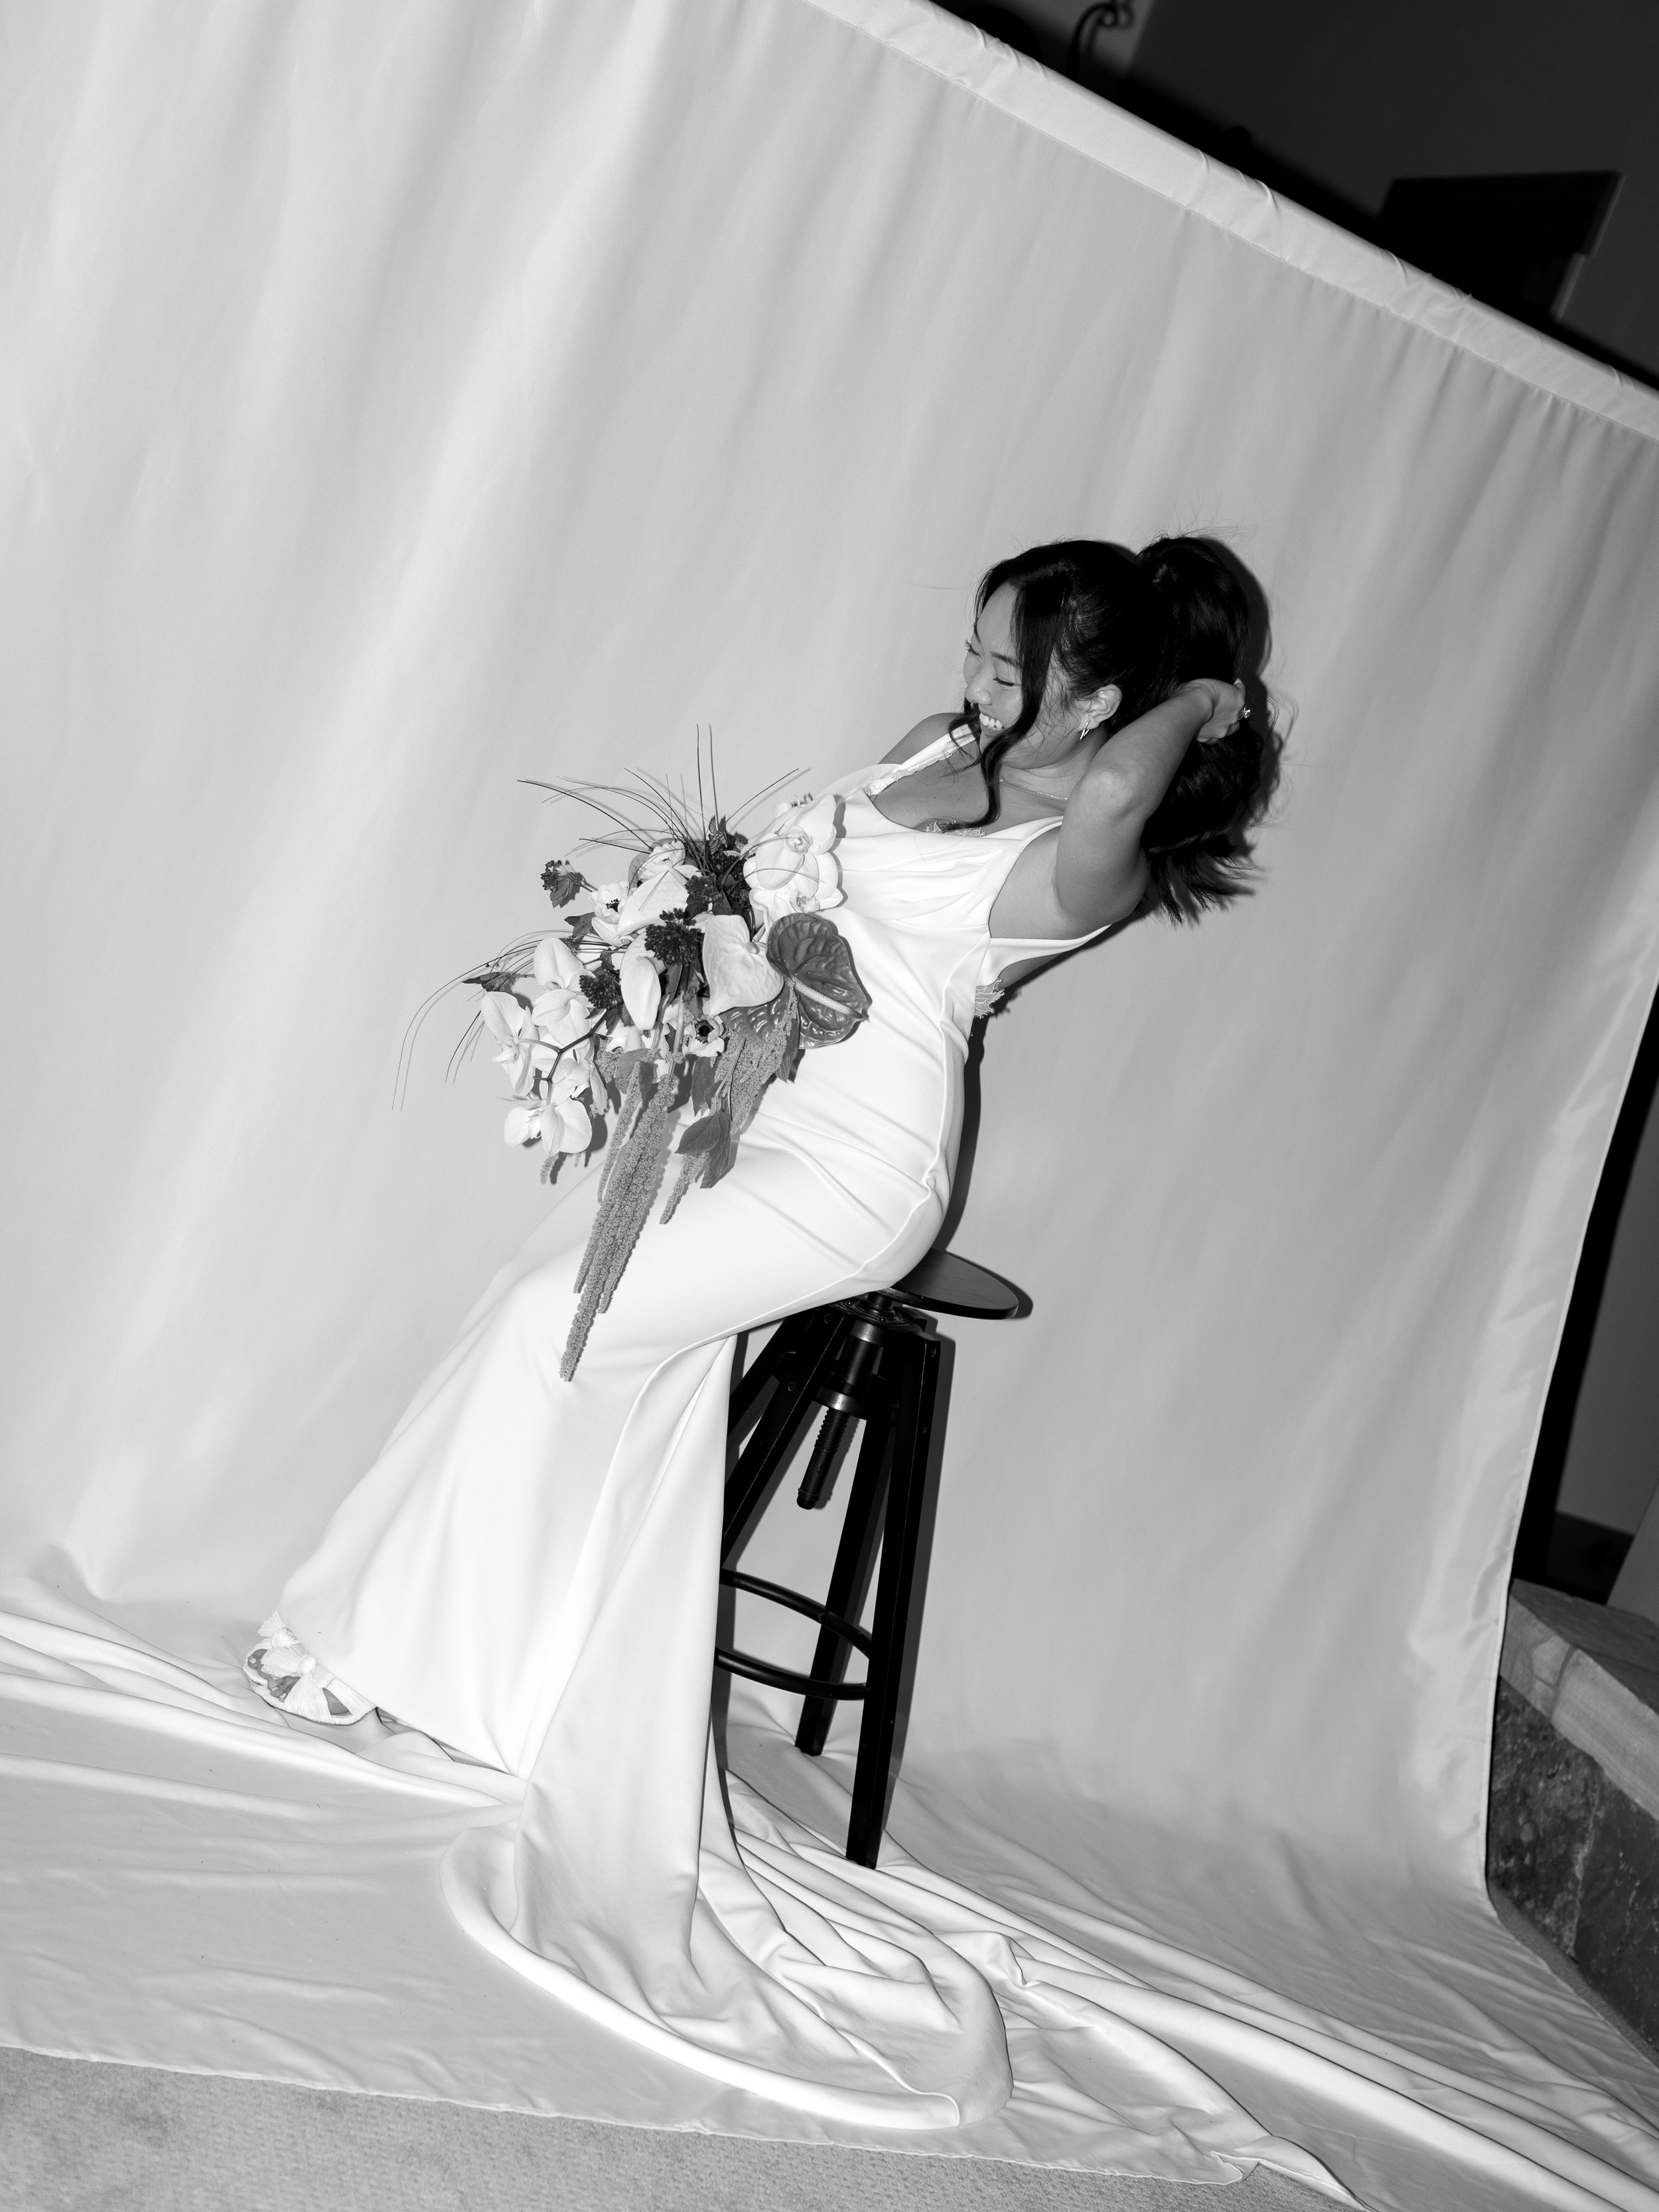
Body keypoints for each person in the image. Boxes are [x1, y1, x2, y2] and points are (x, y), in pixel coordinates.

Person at [243, 536, 1275, 2124]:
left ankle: (409, 1666)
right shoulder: (947, 751)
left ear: (1104, 697)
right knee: (572, 1308)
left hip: (861, 1169)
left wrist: (1202, 690)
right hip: (763, 1103)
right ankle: (481, 1673)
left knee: (554, 1318)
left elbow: (1125, 789)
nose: (970, 688)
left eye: (1009, 670)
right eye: (975, 653)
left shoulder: (1086, 856)